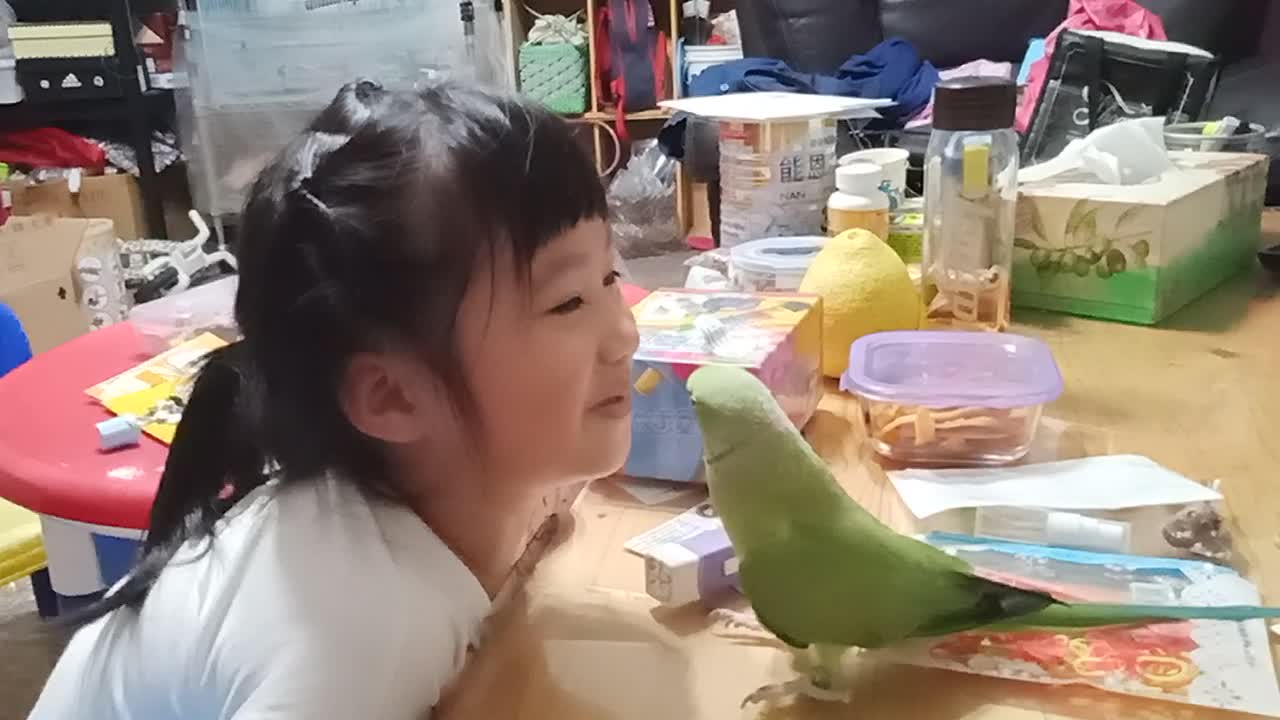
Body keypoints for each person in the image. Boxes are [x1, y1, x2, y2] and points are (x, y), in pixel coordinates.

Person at [28, 79, 639, 719]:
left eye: (609, 277)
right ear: (393, 397)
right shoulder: (365, 629)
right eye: (567, 300)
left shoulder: (441, 511)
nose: (624, 332)